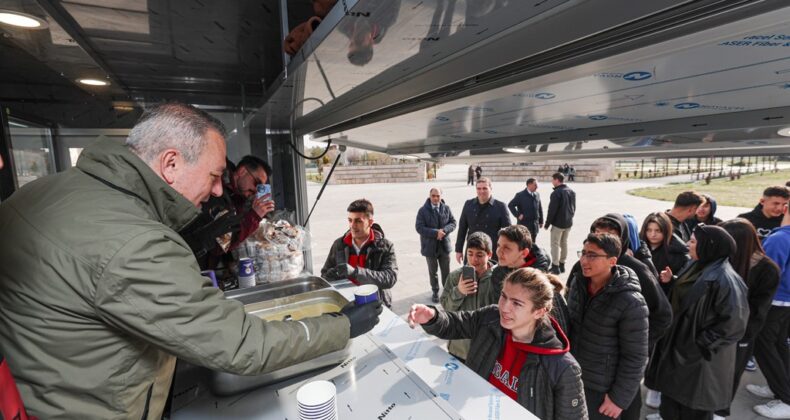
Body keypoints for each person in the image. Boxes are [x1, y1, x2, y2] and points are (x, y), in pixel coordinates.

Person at [0, 103, 383, 419]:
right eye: (214, 176)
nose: (218, 190)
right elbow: (241, 344)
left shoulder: (39, 192)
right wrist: (342, 326)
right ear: (171, 163)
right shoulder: (132, 242)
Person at [409, 268, 589, 420]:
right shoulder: (490, 318)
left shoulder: (563, 368)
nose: (504, 307)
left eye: (516, 303)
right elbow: (455, 324)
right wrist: (431, 316)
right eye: (504, 296)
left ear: (539, 311)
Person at [646, 225, 749, 420]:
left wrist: (700, 344)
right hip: (679, 351)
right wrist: (673, 281)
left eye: (693, 241)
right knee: (671, 406)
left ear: (708, 246)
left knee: (692, 410)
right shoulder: (697, 265)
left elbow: (734, 325)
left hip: (698, 360)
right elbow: (692, 295)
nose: (688, 244)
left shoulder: (726, 279)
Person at [566, 233, 649, 420]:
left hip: (601, 392)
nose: (584, 260)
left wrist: (618, 399)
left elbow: (636, 356)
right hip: (571, 379)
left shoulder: (630, 301)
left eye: (592, 255)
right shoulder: (578, 283)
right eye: (583, 253)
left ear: (612, 261)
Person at [714, 219, 780, 418]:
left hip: (739, 334)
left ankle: (719, 412)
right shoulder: (723, 259)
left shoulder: (767, 269)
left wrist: (741, 336)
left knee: (730, 374)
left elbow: (759, 311)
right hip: (713, 329)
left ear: (738, 242)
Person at [586, 214, 672, 352]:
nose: (601, 240)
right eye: (597, 233)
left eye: (610, 235)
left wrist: (635, 347)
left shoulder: (637, 269)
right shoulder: (582, 265)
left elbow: (663, 315)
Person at [186, 155, 276, 268]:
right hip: (194, 262)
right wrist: (254, 216)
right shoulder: (218, 192)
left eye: (260, 188)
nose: (256, 190)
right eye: (257, 183)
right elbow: (221, 244)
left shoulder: (237, 196)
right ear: (242, 171)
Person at [747, 201, 790, 419]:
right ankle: (779, 387)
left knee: (764, 346)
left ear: (785, 208)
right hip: (785, 302)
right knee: (779, 345)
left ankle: (786, 398)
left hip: (775, 301)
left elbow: (767, 275)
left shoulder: (780, 238)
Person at [322, 199, 398, 308]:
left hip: (375, 305)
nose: (352, 225)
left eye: (358, 221)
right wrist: (329, 276)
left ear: (370, 222)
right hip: (346, 304)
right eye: (350, 220)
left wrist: (356, 273)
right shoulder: (339, 245)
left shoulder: (385, 246)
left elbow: (390, 278)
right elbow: (324, 274)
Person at [488, 225, 566, 330]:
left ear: (524, 253)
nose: (499, 251)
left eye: (506, 248)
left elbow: (559, 326)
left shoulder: (540, 283)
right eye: (498, 245)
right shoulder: (498, 274)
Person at [440, 232, 495, 361]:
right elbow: (446, 309)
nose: (474, 259)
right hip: (459, 348)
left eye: (479, 255)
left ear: (489, 255)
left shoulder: (497, 279)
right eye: (470, 254)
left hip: (486, 349)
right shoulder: (455, 277)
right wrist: (458, 292)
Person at [455, 177, 511, 263]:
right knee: (470, 272)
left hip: (491, 252)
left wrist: (507, 252)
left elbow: (508, 233)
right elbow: (462, 229)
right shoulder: (468, 204)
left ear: (490, 189)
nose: (481, 191)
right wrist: (458, 250)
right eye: (479, 188)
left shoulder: (501, 206)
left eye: (485, 188)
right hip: (472, 251)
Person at [416, 187, 457, 303]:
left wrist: (444, 231)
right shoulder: (422, 211)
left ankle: (447, 290)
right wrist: (435, 233)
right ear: (429, 196)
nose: (435, 198)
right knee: (432, 272)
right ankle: (435, 291)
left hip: (444, 246)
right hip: (430, 247)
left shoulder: (446, 208)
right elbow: (419, 227)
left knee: (446, 271)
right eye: (433, 196)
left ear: (441, 196)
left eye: (438, 196)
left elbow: (453, 222)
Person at [640, 212, 690, 295]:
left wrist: (671, 279)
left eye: (658, 231)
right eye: (649, 230)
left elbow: (685, 282)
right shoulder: (636, 247)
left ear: (666, 231)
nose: (653, 234)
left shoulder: (678, 252)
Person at [544, 172, 576, 274]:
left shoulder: (556, 193)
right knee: (564, 243)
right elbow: (574, 208)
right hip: (568, 223)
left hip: (558, 224)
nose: (552, 181)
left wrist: (547, 224)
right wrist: (570, 218)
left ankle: (555, 266)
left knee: (555, 244)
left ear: (557, 180)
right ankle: (562, 265)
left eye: (553, 179)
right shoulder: (571, 191)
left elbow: (552, 210)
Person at [508, 178, 544, 242]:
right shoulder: (520, 195)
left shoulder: (537, 194)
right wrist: (518, 215)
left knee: (533, 243)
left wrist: (541, 221)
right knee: (523, 243)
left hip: (534, 225)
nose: (537, 187)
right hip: (524, 225)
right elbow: (511, 205)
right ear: (529, 185)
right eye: (535, 185)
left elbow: (539, 208)